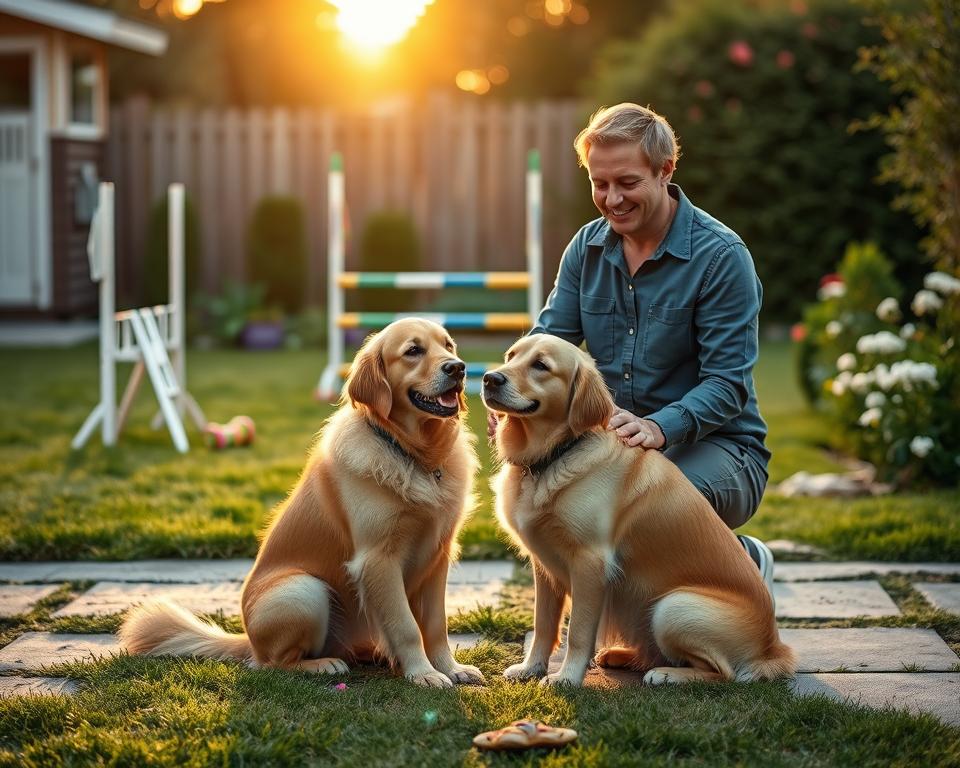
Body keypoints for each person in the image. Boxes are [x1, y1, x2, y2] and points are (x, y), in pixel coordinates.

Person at [493, 103, 774, 587]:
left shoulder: (721, 257)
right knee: (577, 518)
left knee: (646, 505)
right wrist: (517, 395)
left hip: (719, 447)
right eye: (600, 184)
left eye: (627, 183)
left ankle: (742, 562)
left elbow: (727, 386)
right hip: (611, 445)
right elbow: (551, 339)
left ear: (665, 171)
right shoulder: (587, 247)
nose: (612, 199)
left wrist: (658, 427)